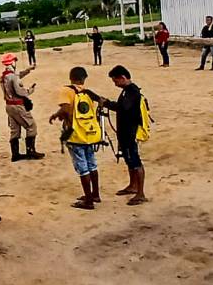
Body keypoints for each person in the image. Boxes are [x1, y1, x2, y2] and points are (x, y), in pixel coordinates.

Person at [49, 67, 102, 210]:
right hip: (89, 134)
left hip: (74, 134)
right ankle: (95, 194)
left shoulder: (66, 91)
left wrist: (55, 114)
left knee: (82, 167)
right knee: (92, 164)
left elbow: (65, 109)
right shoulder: (87, 93)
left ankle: (88, 201)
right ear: (84, 79)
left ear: (70, 77)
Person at [96, 65, 147, 205]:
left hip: (130, 133)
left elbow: (123, 108)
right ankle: (133, 185)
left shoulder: (133, 92)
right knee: (129, 159)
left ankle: (140, 193)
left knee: (135, 161)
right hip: (124, 132)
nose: (115, 84)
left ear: (123, 78)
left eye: (116, 81)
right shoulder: (127, 91)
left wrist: (106, 103)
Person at [0, 53, 45, 161]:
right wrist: (30, 91)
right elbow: (19, 91)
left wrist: (28, 70)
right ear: (12, 62)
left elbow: (17, 75)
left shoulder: (3, 76)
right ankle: (31, 151)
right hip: (18, 105)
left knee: (15, 130)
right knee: (31, 126)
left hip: (9, 106)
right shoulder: (13, 77)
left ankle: (15, 154)